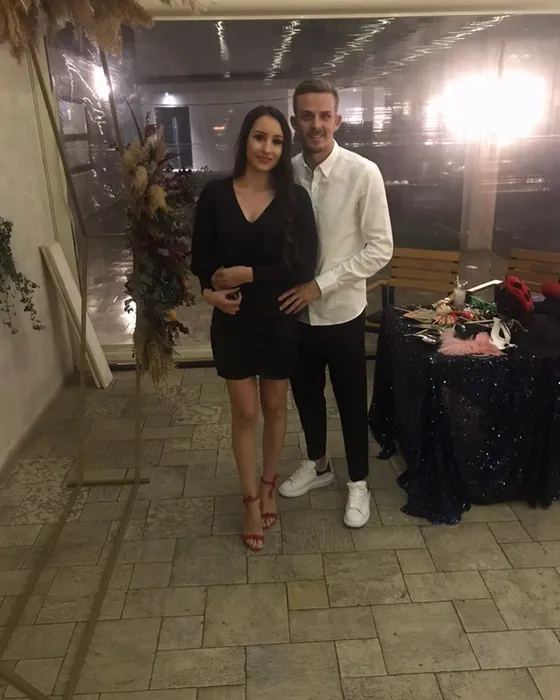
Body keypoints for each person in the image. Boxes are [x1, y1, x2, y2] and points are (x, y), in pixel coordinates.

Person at [191, 105, 318, 551]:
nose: (267, 148)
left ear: (285, 148)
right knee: (245, 412)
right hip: (232, 321)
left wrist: (249, 274)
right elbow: (201, 260)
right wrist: (209, 293)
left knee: (275, 405)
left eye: (277, 141)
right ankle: (249, 499)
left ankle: (268, 485)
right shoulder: (215, 195)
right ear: (244, 140)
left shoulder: (295, 199)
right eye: (259, 137)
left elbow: (302, 266)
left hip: (278, 317)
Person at [278, 79, 393, 528]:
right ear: (295, 122)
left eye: (324, 116)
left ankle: (358, 481)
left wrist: (320, 285)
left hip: (343, 311)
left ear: (338, 120)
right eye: (307, 116)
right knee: (306, 396)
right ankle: (319, 465)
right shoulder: (285, 173)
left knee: (349, 401)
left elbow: (380, 249)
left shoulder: (364, 173)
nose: (316, 124)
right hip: (295, 312)